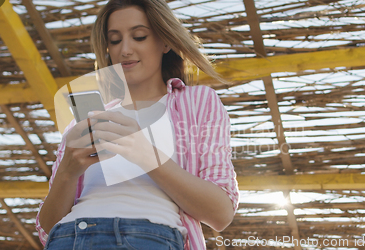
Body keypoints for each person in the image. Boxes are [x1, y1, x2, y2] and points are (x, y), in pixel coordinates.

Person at [35, 0, 239, 249]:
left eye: (139, 36)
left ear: (165, 42)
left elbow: (221, 213)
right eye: (115, 40)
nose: (125, 50)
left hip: (150, 238)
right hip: (70, 238)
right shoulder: (87, 119)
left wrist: (146, 154)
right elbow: (47, 231)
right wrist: (67, 173)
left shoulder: (197, 101)